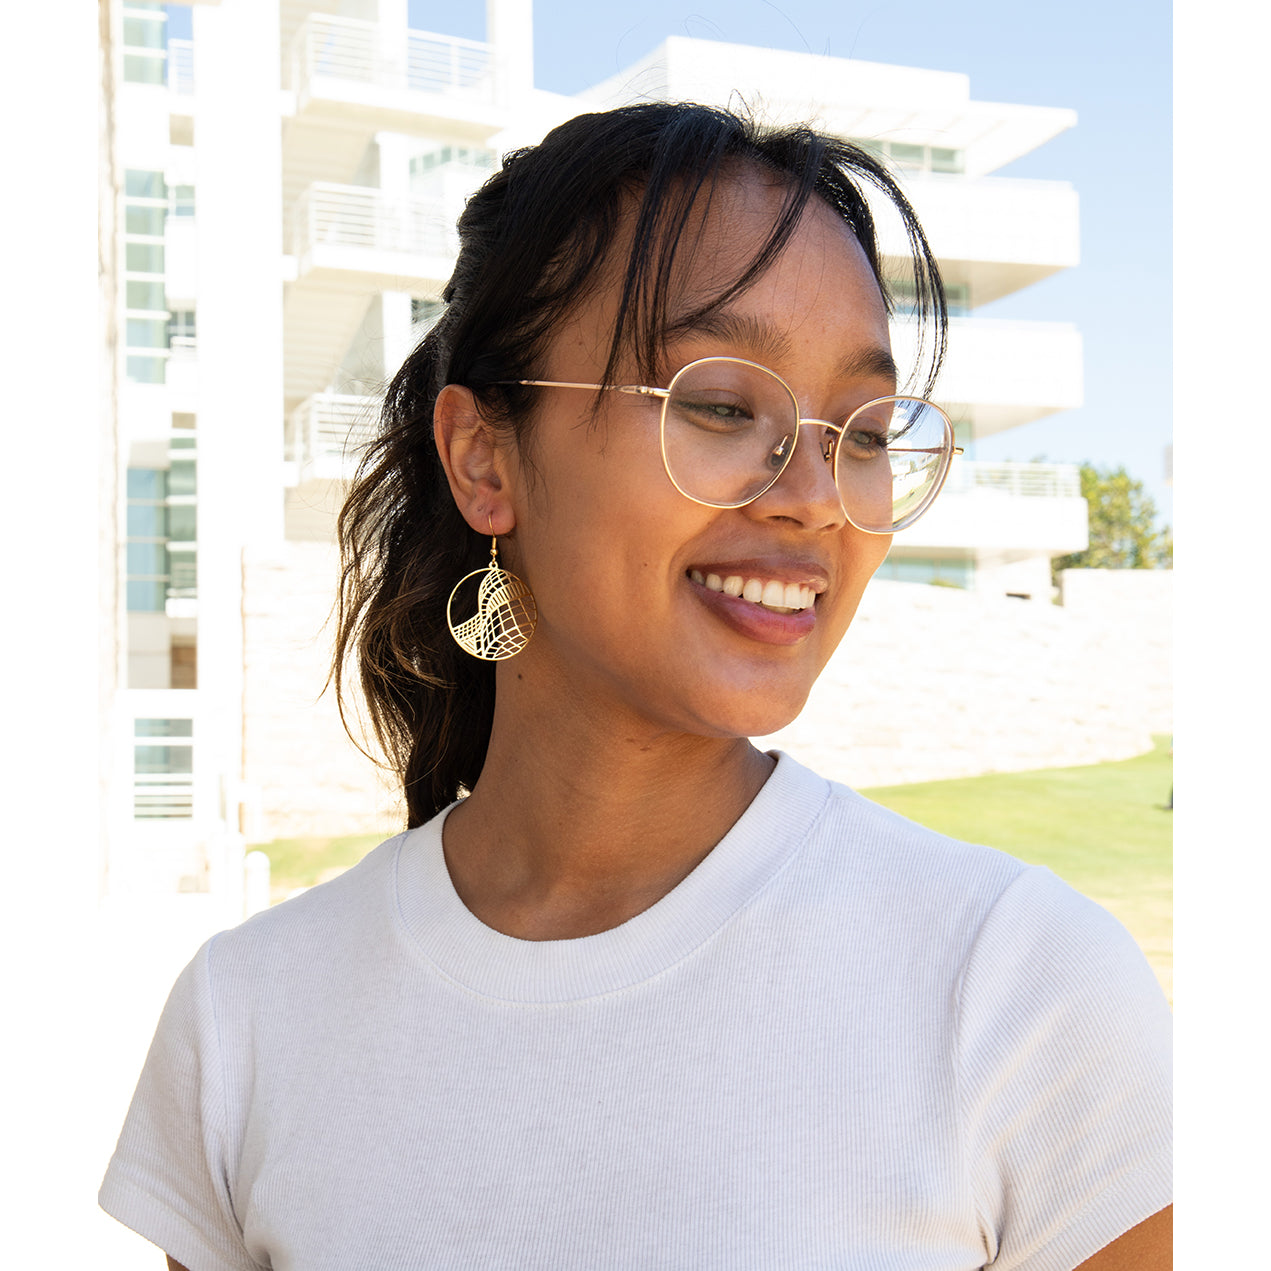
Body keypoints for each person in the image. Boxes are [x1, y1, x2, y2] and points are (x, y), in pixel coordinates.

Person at [100, 102, 1171, 1270]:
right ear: (485, 456)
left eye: (861, 429)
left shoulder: (1018, 990)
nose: (815, 492)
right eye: (720, 404)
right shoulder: (248, 1021)